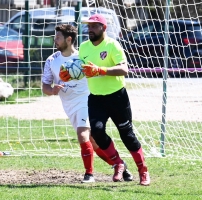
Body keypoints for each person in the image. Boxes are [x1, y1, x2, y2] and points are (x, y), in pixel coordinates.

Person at [61, 14, 150, 186]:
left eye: (94, 26)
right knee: (97, 131)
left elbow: (124, 69)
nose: (90, 29)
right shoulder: (85, 47)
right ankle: (118, 163)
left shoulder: (112, 45)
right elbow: (82, 70)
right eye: (89, 26)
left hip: (117, 97)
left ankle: (143, 171)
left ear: (103, 28)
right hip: (96, 98)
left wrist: (101, 70)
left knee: (127, 136)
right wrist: (69, 75)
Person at [42, 24, 133, 183]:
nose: (54, 40)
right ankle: (120, 165)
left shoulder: (82, 57)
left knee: (83, 135)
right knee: (94, 143)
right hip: (69, 105)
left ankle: (89, 175)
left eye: (58, 37)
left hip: (86, 99)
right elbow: (45, 86)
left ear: (69, 39)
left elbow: (96, 73)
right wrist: (52, 90)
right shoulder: (52, 60)